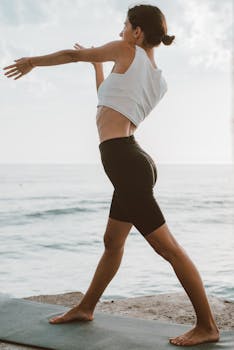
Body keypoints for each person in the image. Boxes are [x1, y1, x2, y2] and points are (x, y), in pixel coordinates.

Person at [3, 4, 220, 347]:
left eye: (124, 26)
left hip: (125, 161)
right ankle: (86, 307)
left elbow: (69, 56)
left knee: (169, 249)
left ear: (136, 32)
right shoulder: (156, 79)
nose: (120, 31)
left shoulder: (125, 49)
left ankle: (207, 325)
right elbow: (108, 99)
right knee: (113, 242)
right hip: (132, 159)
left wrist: (32, 61)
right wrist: (97, 65)